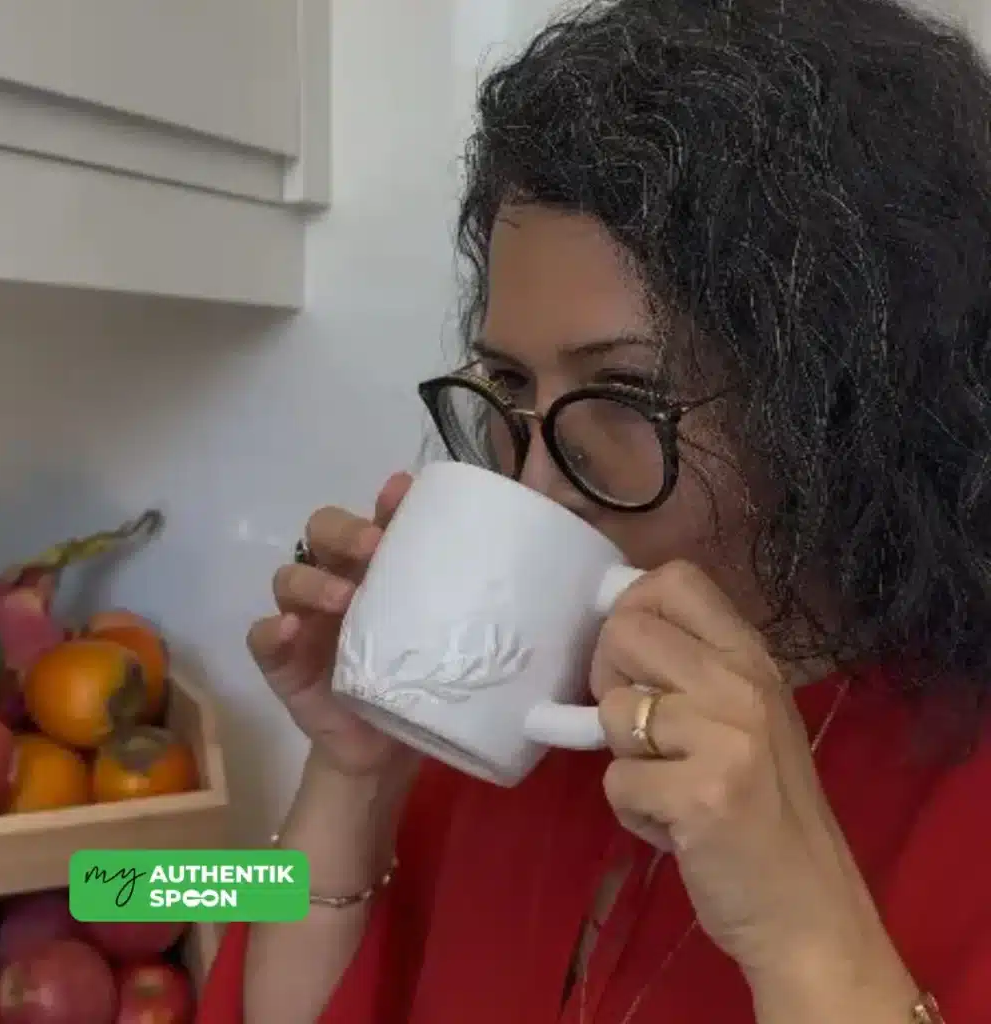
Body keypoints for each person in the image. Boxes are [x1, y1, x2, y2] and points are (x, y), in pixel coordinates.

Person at [196, 0, 991, 1021]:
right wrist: (348, 777)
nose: (535, 482)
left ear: (835, 407)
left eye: (620, 394)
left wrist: (806, 938)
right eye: (509, 386)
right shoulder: (507, 699)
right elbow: (173, 908)